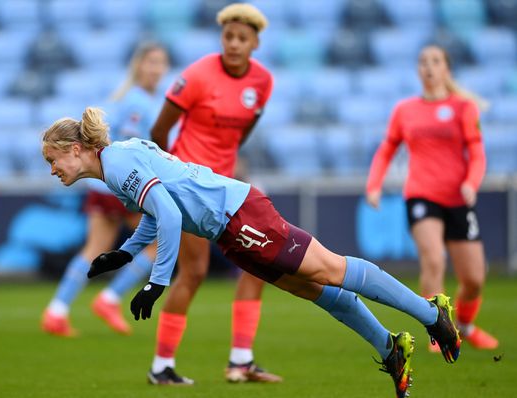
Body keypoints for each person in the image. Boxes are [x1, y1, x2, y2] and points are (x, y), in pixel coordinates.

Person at [40, 107, 462, 398]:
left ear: (74, 148)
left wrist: (156, 283)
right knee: (314, 289)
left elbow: (168, 216)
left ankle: (432, 313)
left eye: (51, 159)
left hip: (240, 214)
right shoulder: (116, 165)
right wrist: (128, 253)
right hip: (228, 230)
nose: (52, 169)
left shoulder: (116, 164)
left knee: (330, 269)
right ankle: (390, 348)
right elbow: (158, 211)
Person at [148, 3, 278, 384]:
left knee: (260, 263)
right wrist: (175, 174)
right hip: (189, 185)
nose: (234, 44)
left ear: (255, 42)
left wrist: (228, 163)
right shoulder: (197, 76)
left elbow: (242, 132)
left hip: (226, 188)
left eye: (242, 38)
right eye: (228, 37)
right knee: (194, 273)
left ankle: (240, 361)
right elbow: (159, 130)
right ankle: (161, 367)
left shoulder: (263, 82)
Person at [365, 45, 498, 351]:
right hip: (421, 195)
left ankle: (464, 326)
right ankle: (438, 332)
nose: (428, 66)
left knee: (475, 278)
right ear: (418, 70)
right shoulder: (405, 109)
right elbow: (387, 149)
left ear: (446, 69)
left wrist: (471, 183)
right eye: (423, 61)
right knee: (434, 259)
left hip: (458, 198)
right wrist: (374, 185)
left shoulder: (464, 108)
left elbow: (477, 153)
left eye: (435, 61)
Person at [41, 43, 170, 337]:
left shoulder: (134, 98)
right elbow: (127, 145)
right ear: (138, 66)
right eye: (150, 62)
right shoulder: (138, 102)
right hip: (121, 182)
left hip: (104, 182)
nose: (156, 69)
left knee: (94, 248)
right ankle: (109, 299)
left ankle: (57, 310)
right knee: (157, 242)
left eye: (161, 63)